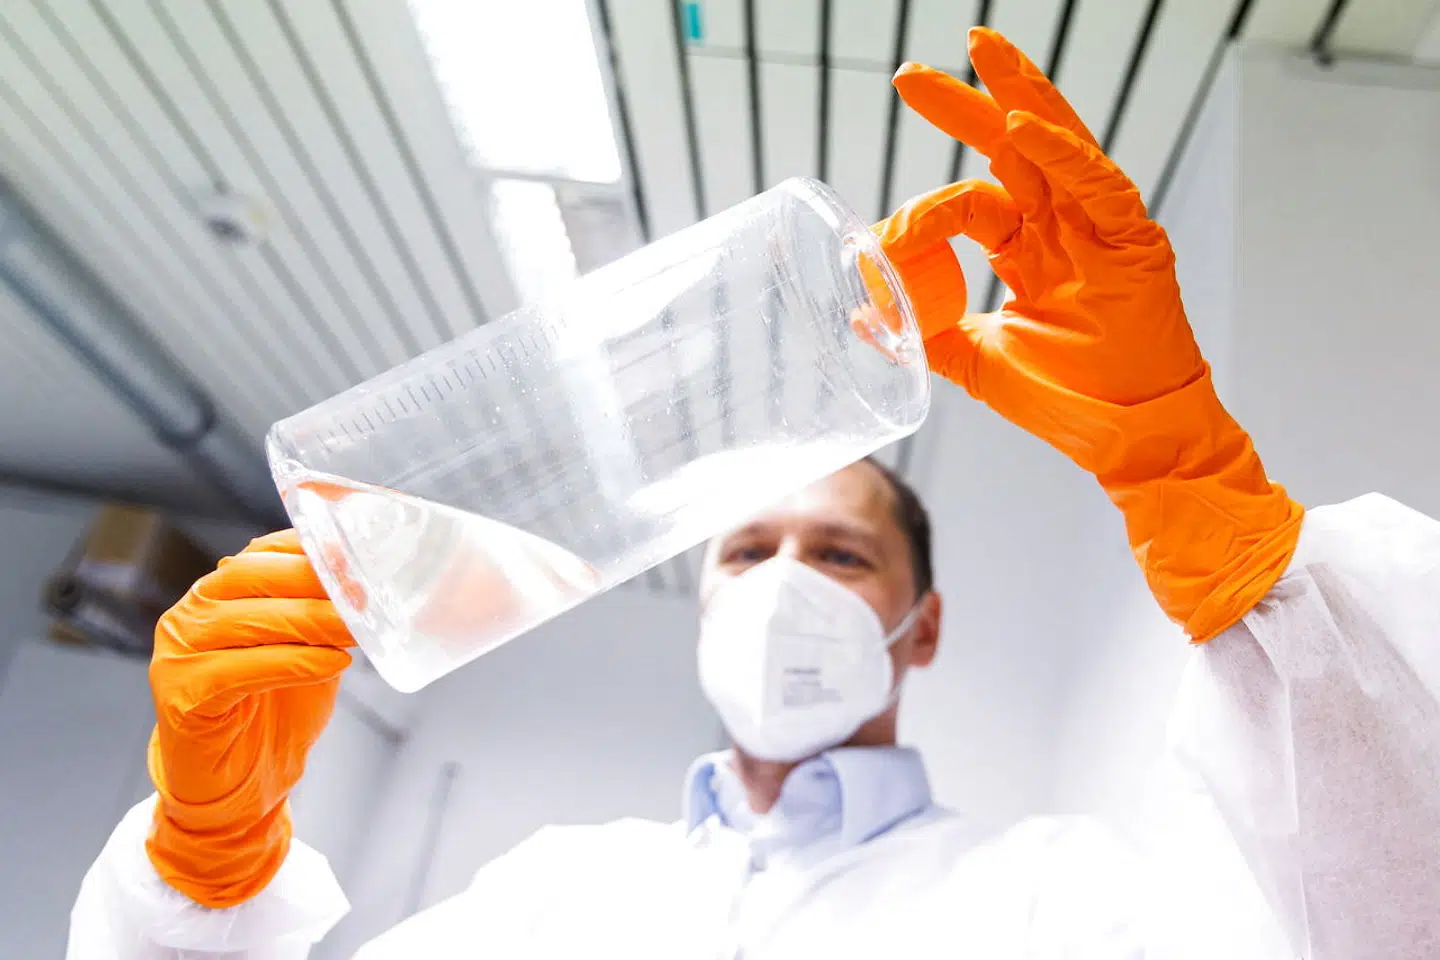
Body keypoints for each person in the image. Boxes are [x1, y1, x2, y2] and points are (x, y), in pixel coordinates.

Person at [68, 27, 1440, 960]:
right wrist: (201, 874)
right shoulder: (554, 898)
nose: (785, 584)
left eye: (841, 557)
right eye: (747, 551)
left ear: (924, 625)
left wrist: (1206, 499)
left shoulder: (1058, 901)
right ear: (698, 596)